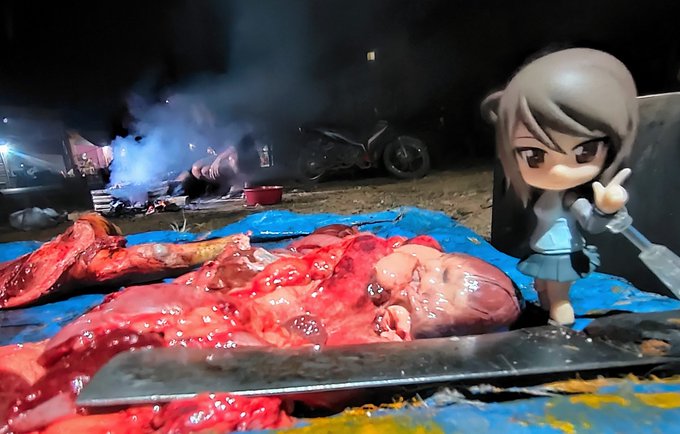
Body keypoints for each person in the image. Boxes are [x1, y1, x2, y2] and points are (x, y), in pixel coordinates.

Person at [481, 48, 639, 325]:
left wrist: (605, 209)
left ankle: (560, 322)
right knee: (542, 288)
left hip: (562, 255)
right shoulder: (545, 194)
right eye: (534, 155)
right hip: (543, 252)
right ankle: (547, 314)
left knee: (558, 296)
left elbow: (591, 224)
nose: (557, 170)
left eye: (584, 152)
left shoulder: (571, 199)